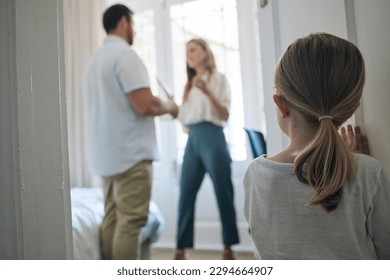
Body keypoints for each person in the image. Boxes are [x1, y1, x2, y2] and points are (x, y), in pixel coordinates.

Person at [243, 33, 390, 259]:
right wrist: (354, 164)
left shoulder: (255, 175)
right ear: (351, 109)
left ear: (280, 105)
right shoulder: (368, 173)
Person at [82, 4, 178, 260]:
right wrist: (170, 107)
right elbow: (145, 103)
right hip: (130, 155)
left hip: (106, 156)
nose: (134, 30)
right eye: (133, 24)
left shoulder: (93, 62)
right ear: (124, 22)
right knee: (131, 223)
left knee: (112, 219)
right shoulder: (125, 56)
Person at [174, 38, 239, 260]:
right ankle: (180, 249)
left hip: (213, 136)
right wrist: (176, 107)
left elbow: (225, 114)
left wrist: (207, 91)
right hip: (193, 139)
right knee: (185, 193)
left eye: (192, 49)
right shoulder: (188, 85)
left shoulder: (219, 79)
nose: (189, 54)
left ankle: (228, 247)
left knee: (223, 191)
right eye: (186, 51)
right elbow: (184, 120)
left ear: (205, 52)